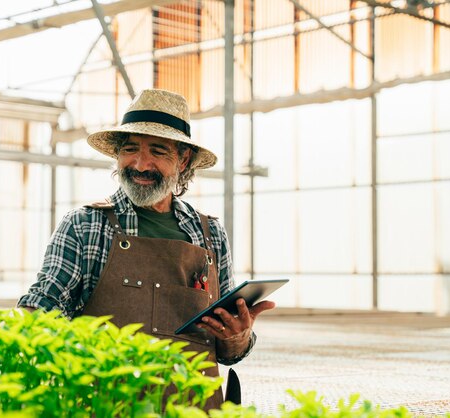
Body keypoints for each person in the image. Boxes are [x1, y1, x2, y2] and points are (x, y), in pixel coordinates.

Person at [17, 88, 275, 409]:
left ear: (183, 159)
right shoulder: (86, 224)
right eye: (130, 150)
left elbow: (225, 351)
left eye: (158, 151)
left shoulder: (210, 234)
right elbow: (41, 310)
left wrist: (237, 338)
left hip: (191, 410)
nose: (140, 164)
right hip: (108, 406)